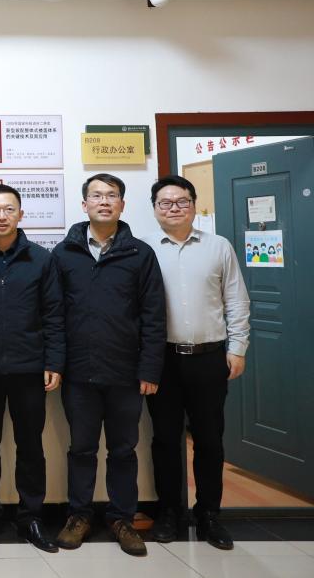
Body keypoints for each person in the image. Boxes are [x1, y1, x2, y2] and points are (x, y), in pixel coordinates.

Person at [51, 173, 166, 557]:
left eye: (111, 195)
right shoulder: (64, 253)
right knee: (81, 449)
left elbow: (153, 316)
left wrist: (150, 369)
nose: (104, 201)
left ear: (122, 204)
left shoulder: (140, 254)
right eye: (96, 195)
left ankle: (121, 519)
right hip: (79, 372)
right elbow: (53, 314)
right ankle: (79, 516)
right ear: (84, 204)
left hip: (126, 373)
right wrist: (56, 364)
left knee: (123, 450)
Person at [144, 175, 250, 550]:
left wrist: (238, 348)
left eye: (182, 201)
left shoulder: (218, 246)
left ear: (193, 204)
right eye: (165, 202)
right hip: (162, 361)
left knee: (209, 439)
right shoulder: (144, 250)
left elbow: (236, 300)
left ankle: (208, 515)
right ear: (154, 208)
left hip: (209, 357)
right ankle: (169, 512)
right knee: (165, 439)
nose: (174, 208)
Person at [0, 183, 64, 552]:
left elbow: (54, 314)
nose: (1, 216)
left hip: (29, 368)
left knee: (30, 445)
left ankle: (31, 516)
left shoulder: (41, 259)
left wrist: (54, 361)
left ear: (21, 214)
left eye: (8, 210)